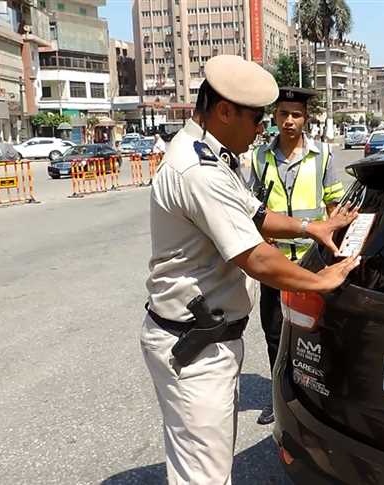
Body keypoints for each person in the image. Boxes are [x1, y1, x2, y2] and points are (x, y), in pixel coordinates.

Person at [141, 55, 360, 485]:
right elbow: (256, 257)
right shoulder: (197, 171)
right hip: (194, 345)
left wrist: (311, 227)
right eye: (257, 118)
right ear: (225, 111)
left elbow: (256, 214)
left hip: (205, 339)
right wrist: (320, 281)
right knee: (204, 477)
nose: (264, 128)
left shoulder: (212, 155)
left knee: (202, 463)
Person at [249, 86, 345, 425]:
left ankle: (322, 399)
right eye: (283, 114)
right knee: (275, 332)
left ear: (306, 118)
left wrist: (334, 251)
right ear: (274, 116)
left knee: (317, 334)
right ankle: (279, 398)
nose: (289, 121)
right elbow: (254, 206)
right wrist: (264, 242)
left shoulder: (322, 156)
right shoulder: (261, 157)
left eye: (296, 115)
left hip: (312, 263)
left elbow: (335, 206)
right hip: (274, 263)